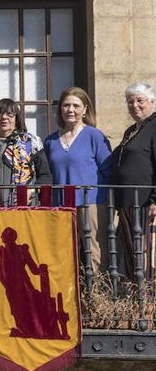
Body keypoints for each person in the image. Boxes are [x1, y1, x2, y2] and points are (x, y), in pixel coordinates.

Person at [43, 87, 113, 275]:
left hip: (91, 204)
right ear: (60, 110)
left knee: (95, 254)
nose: (70, 110)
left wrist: (103, 200)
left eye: (76, 105)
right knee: (63, 254)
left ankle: (97, 299)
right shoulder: (50, 141)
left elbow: (109, 170)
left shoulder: (94, 136)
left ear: (85, 109)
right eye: (66, 105)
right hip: (61, 205)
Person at [110, 82, 156, 281]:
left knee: (145, 254)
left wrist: (155, 200)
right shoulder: (131, 131)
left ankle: (149, 304)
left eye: (140, 100)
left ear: (152, 102)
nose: (135, 105)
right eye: (130, 102)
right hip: (127, 204)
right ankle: (137, 303)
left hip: (145, 203)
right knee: (131, 257)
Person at [0, 98, 52, 206]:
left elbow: (45, 176)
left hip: (23, 208)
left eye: (10, 114)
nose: (4, 117)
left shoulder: (31, 143)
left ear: (16, 118)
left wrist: (31, 191)